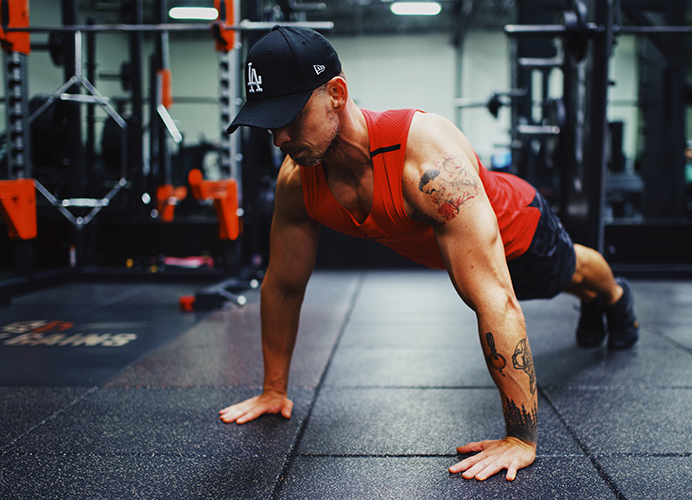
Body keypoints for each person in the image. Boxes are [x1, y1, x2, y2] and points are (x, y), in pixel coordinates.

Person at [218, 26, 639, 482]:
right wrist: (272, 389)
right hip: (456, 252)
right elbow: (282, 284)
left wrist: (520, 437)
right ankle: (600, 302)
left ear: (336, 93)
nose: (279, 138)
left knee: (569, 273)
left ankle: (616, 298)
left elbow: (494, 299)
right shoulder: (298, 180)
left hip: (520, 228)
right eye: (269, 124)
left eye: (290, 118)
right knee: (558, 284)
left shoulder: (425, 159)